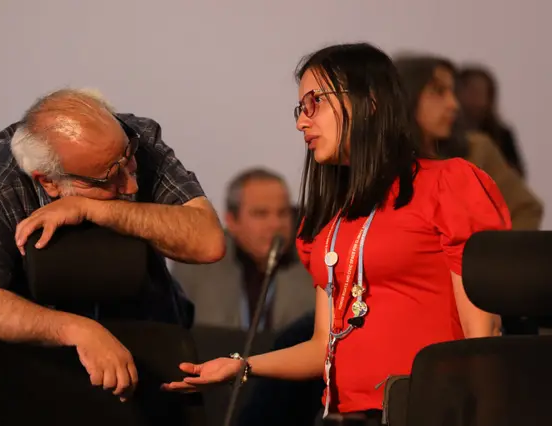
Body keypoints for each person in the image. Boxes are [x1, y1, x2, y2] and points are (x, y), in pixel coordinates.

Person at [162, 43, 508, 423]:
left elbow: (483, 334)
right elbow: (321, 347)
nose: (301, 122)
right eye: (300, 109)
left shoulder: (447, 184)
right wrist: (243, 366)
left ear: (369, 102)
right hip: (342, 416)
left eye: (316, 103)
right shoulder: (328, 223)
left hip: (429, 411)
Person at [0, 88, 225, 401]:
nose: (131, 185)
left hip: (155, 336)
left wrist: (95, 208)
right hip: (41, 370)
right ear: (49, 181)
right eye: (109, 178)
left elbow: (209, 241)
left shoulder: (136, 139)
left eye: (128, 162)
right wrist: (78, 331)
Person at [394, 55, 543, 232]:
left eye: (453, 93)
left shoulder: (476, 150)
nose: (453, 104)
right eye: (439, 92)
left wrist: (493, 255)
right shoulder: (378, 162)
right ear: (407, 96)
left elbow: (526, 208)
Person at [172, 167, 314, 332]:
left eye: (283, 213)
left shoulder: (312, 266)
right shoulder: (196, 264)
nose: (275, 224)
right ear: (232, 221)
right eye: (261, 214)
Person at [457, 66, 527, 177]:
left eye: (482, 92)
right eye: (473, 91)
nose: (478, 98)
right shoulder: (445, 132)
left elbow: (516, 175)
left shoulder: (501, 134)